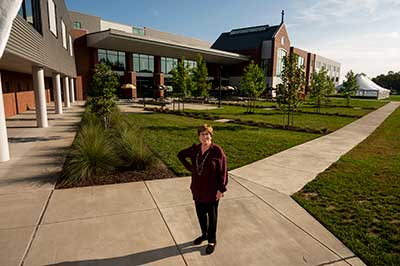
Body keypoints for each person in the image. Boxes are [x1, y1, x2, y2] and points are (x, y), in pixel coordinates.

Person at [178, 124, 228, 254]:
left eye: (207, 134)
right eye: (202, 134)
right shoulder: (194, 149)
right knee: (200, 214)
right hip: (197, 188)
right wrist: (191, 168)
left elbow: (223, 172)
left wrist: (221, 189)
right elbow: (181, 155)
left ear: (211, 135)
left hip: (212, 189)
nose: (205, 136)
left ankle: (212, 240)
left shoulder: (217, 151)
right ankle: (204, 234)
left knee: (212, 216)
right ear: (198, 136)